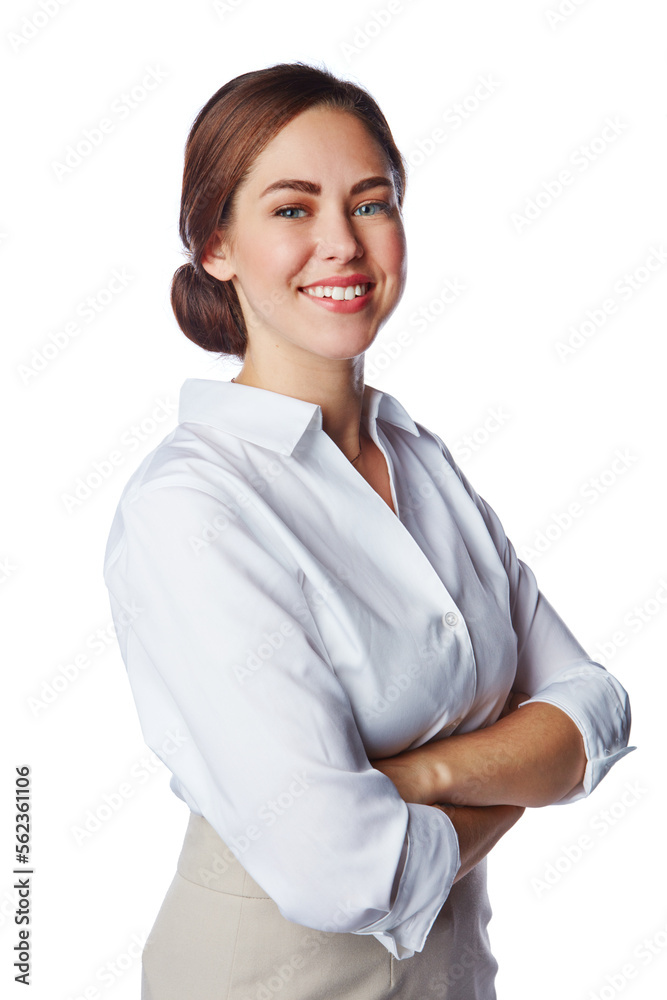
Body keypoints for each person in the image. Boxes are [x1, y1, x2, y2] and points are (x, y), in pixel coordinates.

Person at [102, 62, 635, 999]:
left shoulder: (419, 459)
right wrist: (519, 772)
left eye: (371, 202)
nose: (342, 244)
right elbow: (341, 867)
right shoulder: (190, 509)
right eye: (292, 209)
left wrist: (418, 777)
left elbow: (595, 709)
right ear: (216, 244)